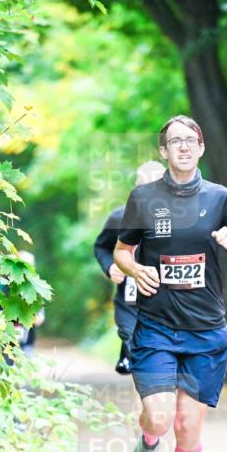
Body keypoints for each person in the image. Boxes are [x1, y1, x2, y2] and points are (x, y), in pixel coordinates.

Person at [113, 115, 227, 452]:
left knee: (188, 427)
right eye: (174, 141)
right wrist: (135, 269)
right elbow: (122, 252)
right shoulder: (143, 198)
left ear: (201, 147)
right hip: (156, 328)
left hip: (205, 332)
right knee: (159, 419)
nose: (182, 146)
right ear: (163, 151)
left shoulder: (221, 198)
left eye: (190, 139)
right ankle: (147, 443)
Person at [93, 160, 166, 375]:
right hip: (130, 302)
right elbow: (101, 247)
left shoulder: (177, 218)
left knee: (159, 355)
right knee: (140, 350)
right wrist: (110, 267)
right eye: (144, 185)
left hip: (166, 303)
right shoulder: (119, 217)